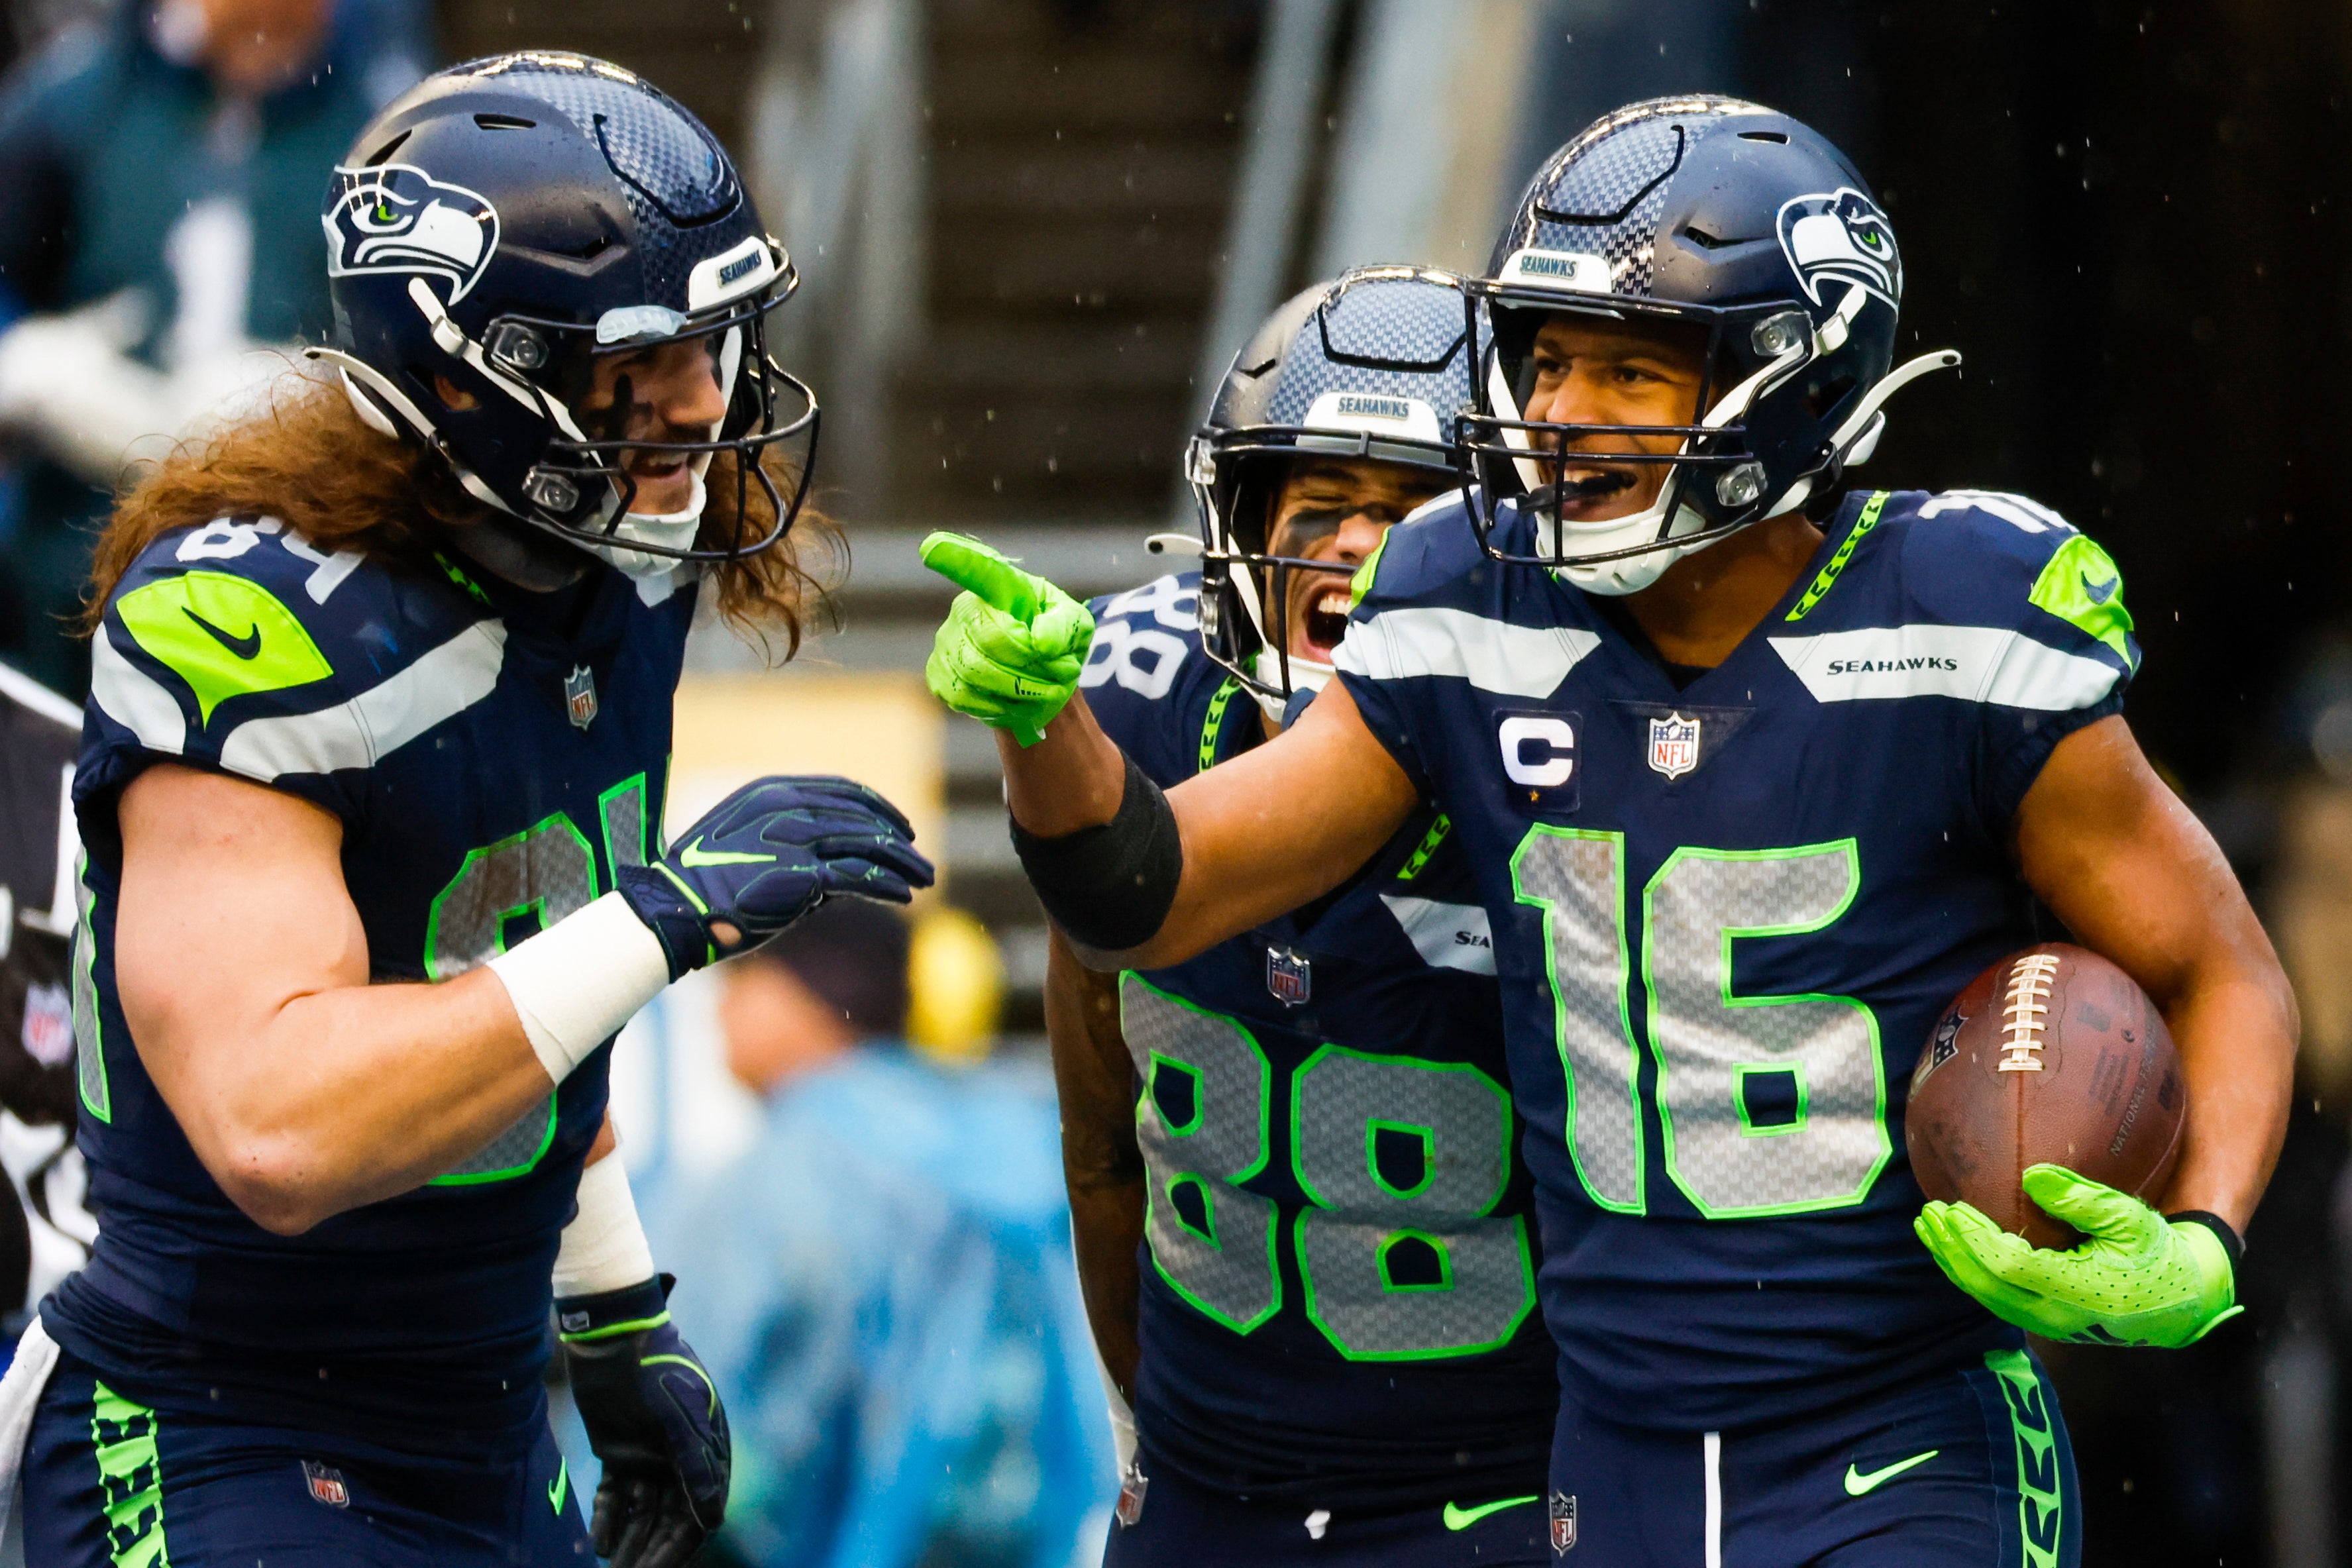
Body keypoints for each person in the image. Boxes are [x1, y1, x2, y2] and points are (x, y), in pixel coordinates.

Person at [922, 96, 2298, 1566]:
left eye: (1626, 370)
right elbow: (1150, 893)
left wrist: (2200, 1234)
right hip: (1611, 1469)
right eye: (1549, 357)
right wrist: (1042, 730)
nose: (1562, 412)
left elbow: (2218, 969)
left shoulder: (1955, 617)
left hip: (1899, 1438)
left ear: (1787, 372)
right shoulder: (1468, 596)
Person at [19, 54, 931, 1568]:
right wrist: (656, 921)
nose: (702, 408)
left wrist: (616, 1312)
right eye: (635, 371)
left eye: (712, 343)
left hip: (484, 1418)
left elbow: (513, 1002)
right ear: (455, 372)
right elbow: (277, 1122)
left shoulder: (615, 577)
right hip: (220, 1418)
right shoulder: (250, 621)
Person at [1042, 265, 1557, 1565]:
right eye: (1319, 504)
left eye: (1411, 514)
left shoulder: (1562, 768)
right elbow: (1104, 1148)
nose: (1350, 548)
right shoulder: (1135, 706)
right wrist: (1145, 1425)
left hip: (1507, 1482)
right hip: (1215, 1482)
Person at [657, 900, 1112, 1568]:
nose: (720, 1008)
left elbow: (673, 1435)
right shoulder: (1027, 1135)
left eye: (742, 978)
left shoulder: (789, 1165)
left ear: (806, 995)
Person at [0, 0, 420, 695]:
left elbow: (433, 338)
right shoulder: (84, 95)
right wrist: (29, 366)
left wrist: (319, 393)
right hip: (68, 564)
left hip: (303, 570)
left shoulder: (391, 121)